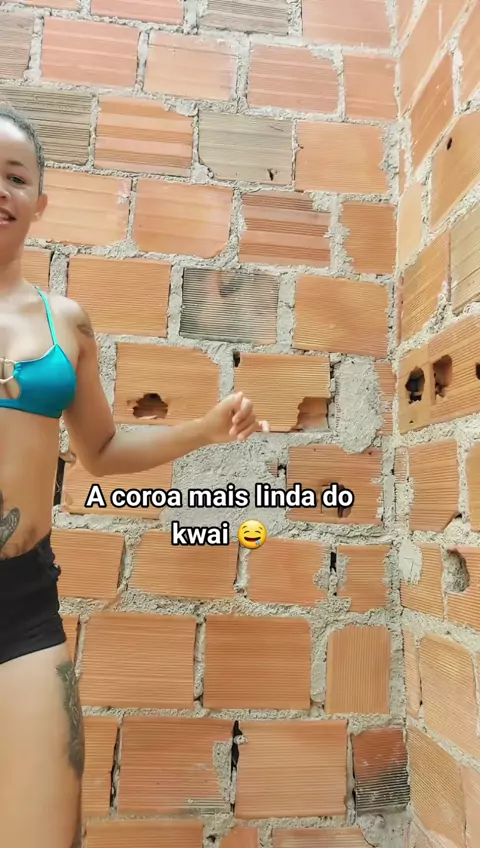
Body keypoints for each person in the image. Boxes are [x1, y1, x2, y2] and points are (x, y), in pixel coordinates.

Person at [0, 105, 269, 848]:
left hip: (19, 605)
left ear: (39, 202)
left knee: (44, 827)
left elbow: (103, 449)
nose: (0, 190)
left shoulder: (66, 323)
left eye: (15, 177)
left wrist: (205, 429)